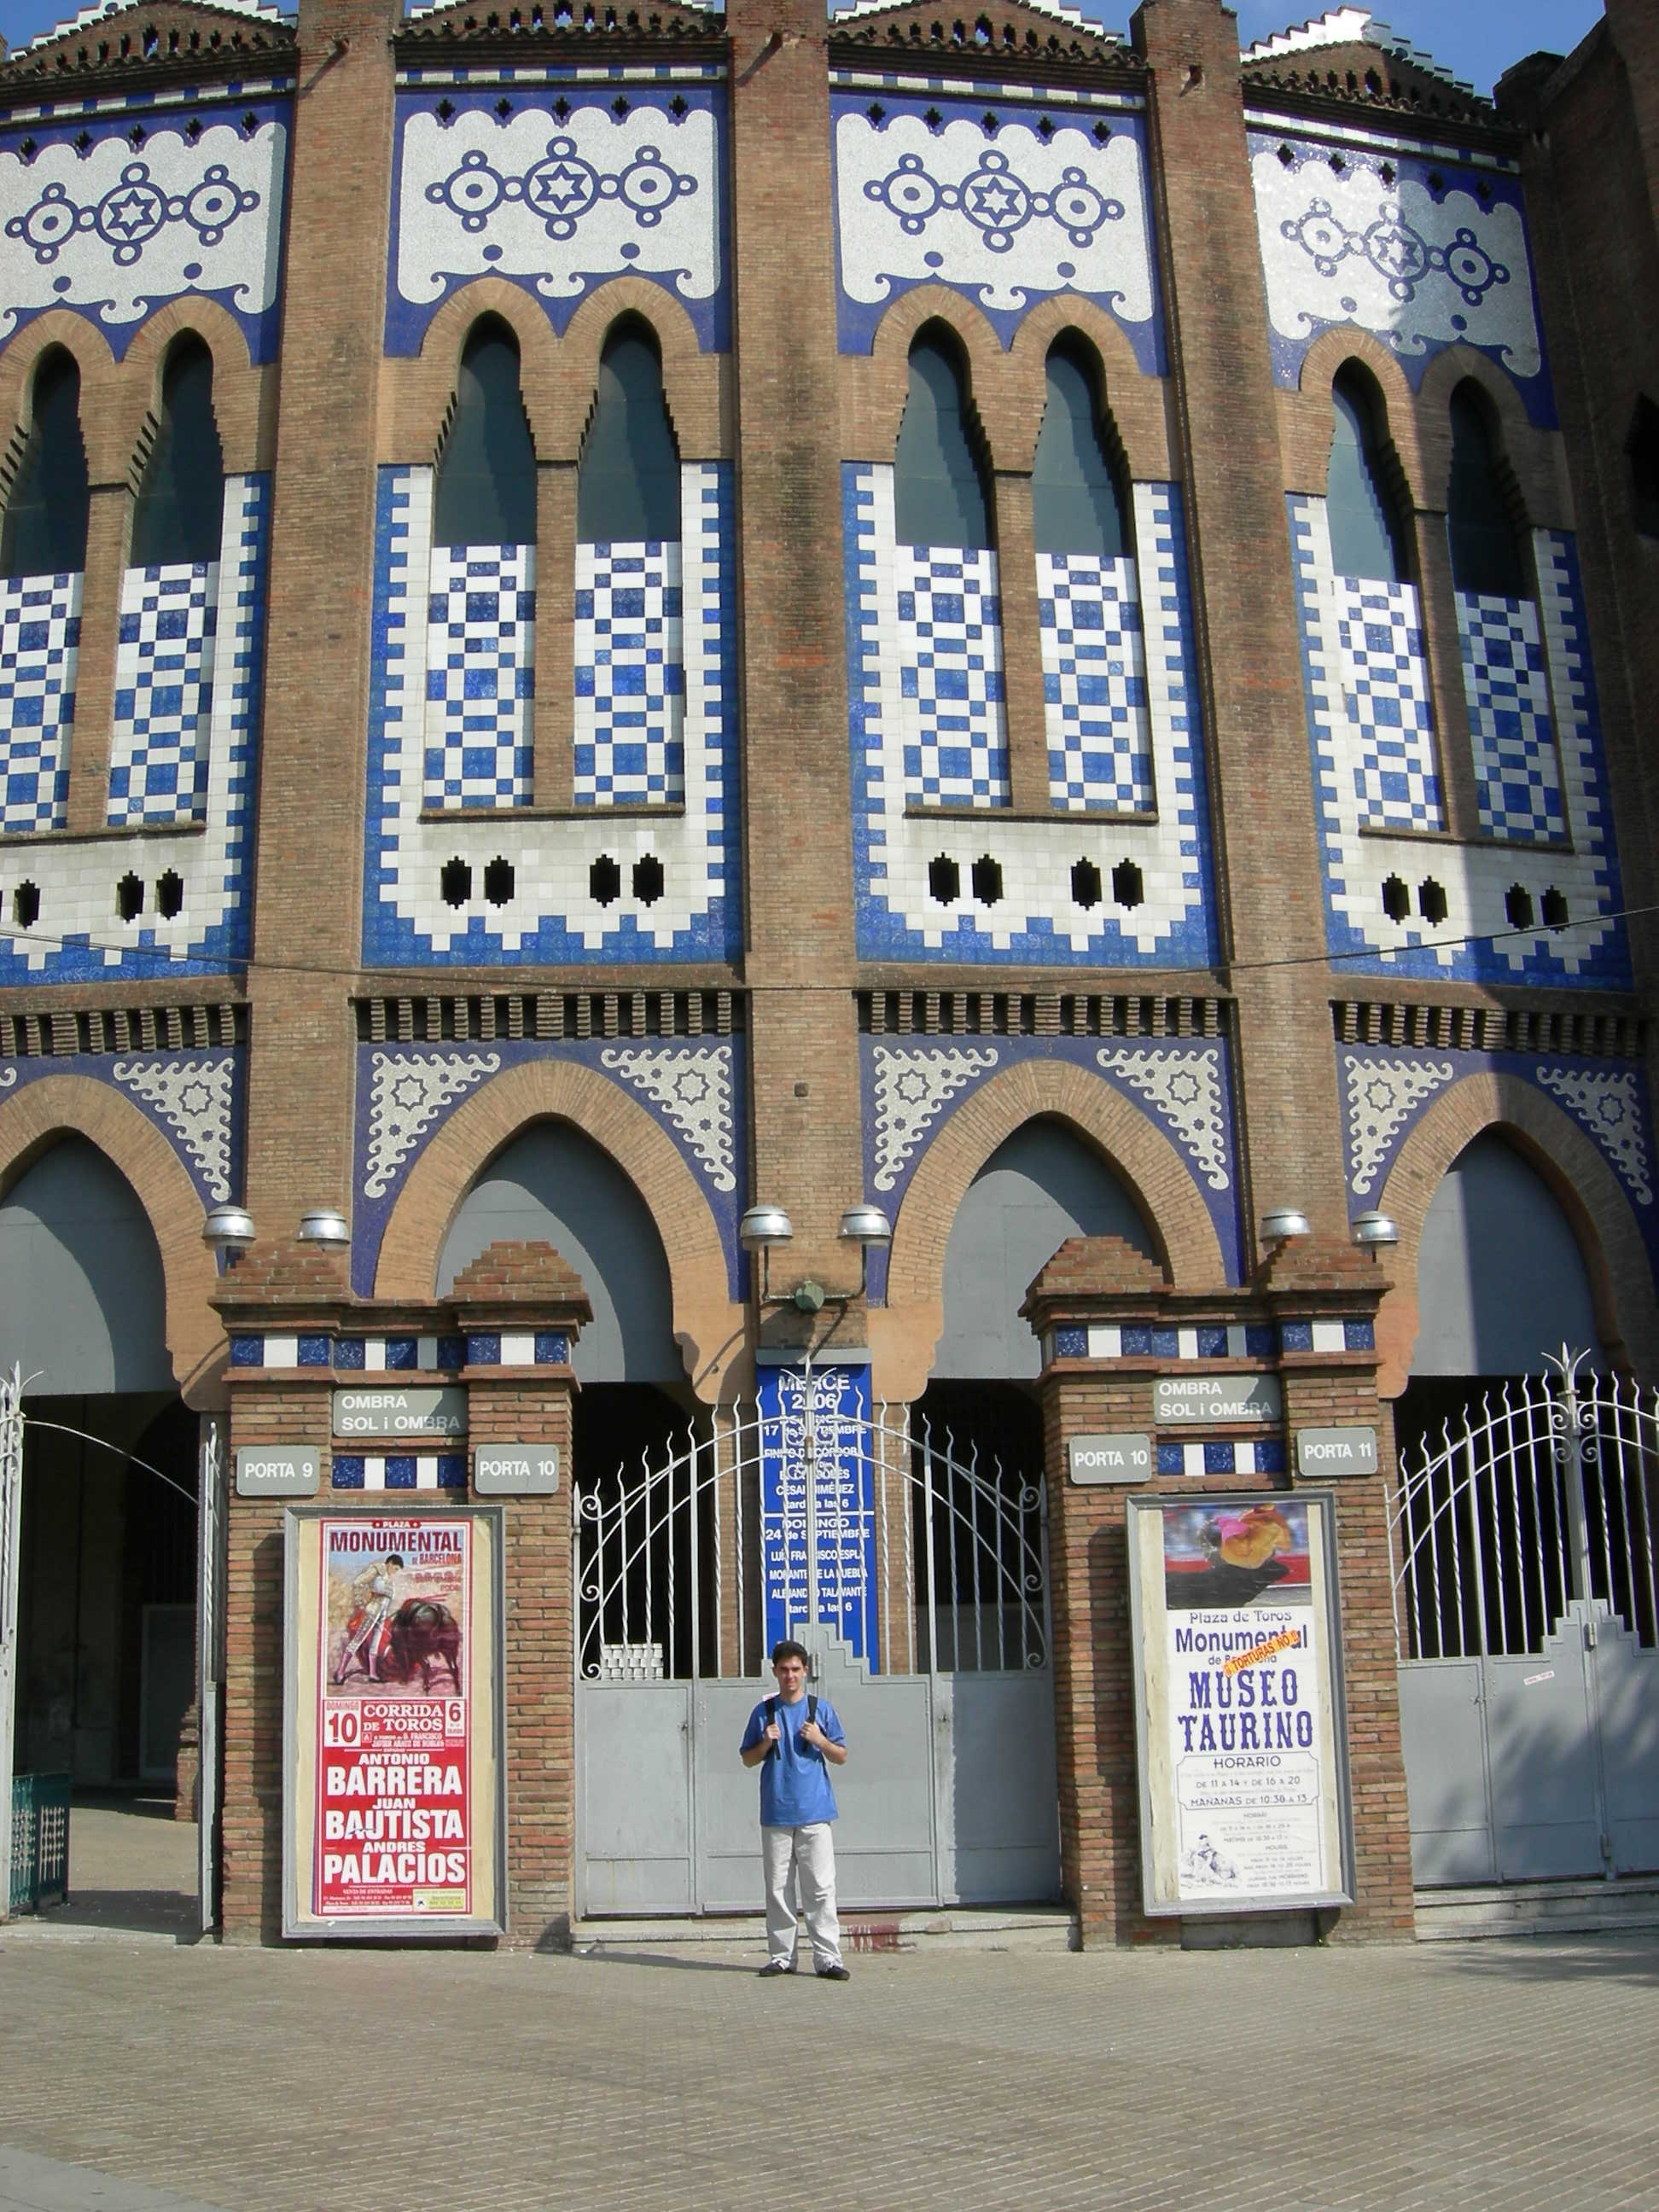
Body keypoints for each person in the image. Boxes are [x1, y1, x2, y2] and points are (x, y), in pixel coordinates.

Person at [739, 1639, 850, 1980]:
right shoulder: (764, 1712)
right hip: (776, 1811)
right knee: (777, 1889)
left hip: (815, 1812)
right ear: (774, 1671)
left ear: (805, 1671)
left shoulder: (821, 1710)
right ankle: (782, 1956)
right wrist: (766, 1741)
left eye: (796, 1669)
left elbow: (841, 1755)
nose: (790, 1675)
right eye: (784, 1670)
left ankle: (828, 1958)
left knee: (820, 1888)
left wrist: (820, 1740)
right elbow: (747, 1759)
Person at [333, 1553, 405, 1685]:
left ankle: (372, 1674)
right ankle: (340, 1672)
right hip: (373, 1610)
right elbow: (358, 1582)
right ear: (390, 1563)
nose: (395, 1572)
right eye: (395, 1568)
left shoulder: (389, 1578)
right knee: (358, 1639)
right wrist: (360, 1602)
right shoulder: (377, 1570)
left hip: (382, 1613)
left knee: (375, 1643)